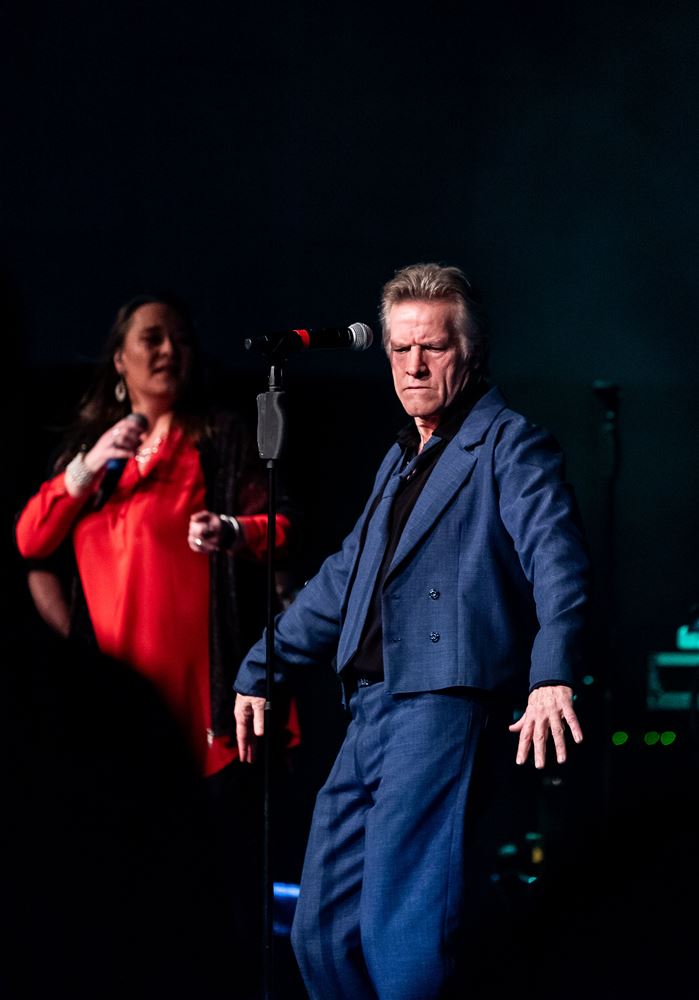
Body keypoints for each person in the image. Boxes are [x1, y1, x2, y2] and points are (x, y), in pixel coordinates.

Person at [233, 262, 591, 999]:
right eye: (400, 348)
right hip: (369, 708)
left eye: (433, 346)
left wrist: (552, 672)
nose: (414, 365)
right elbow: (343, 580)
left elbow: (557, 561)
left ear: (472, 351)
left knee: (402, 935)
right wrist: (259, 666)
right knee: (320, 932)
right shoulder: (400, 458)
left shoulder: (509, 444)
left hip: (441, 702)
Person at [14, 292, 297, 996]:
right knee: (112, 899)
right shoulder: (96, 458)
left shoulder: (219, 437)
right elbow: (31, 541)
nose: (169, 349)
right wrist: (90, 463)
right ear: (119, 359)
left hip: (202, 706)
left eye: (180, 338)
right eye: (151, 337)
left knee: (212, 893)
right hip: (111, 715)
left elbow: (283, 527)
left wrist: (233, 530)